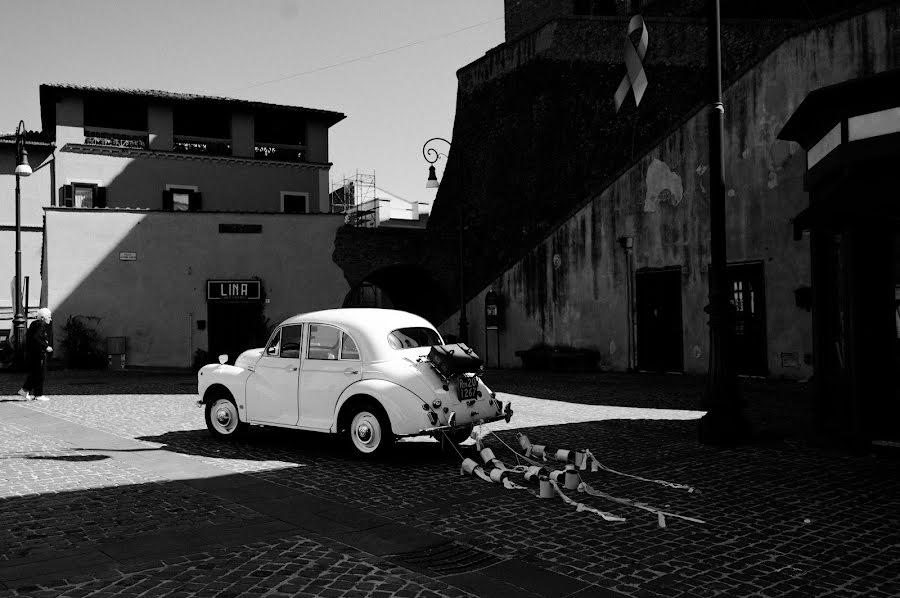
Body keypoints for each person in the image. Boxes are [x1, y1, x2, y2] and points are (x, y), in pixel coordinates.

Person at [17, 308, 53, 401]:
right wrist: (46, 347)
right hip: (38, 354)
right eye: (48, 317)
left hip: (33, 354)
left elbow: (32, 338)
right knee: (40, 374)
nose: (50, 319)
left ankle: (25, 391)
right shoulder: (40, 325)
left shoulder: (35, 324)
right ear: (42, 318)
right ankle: (38, 394)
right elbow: (36, 337)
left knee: (35, 374)